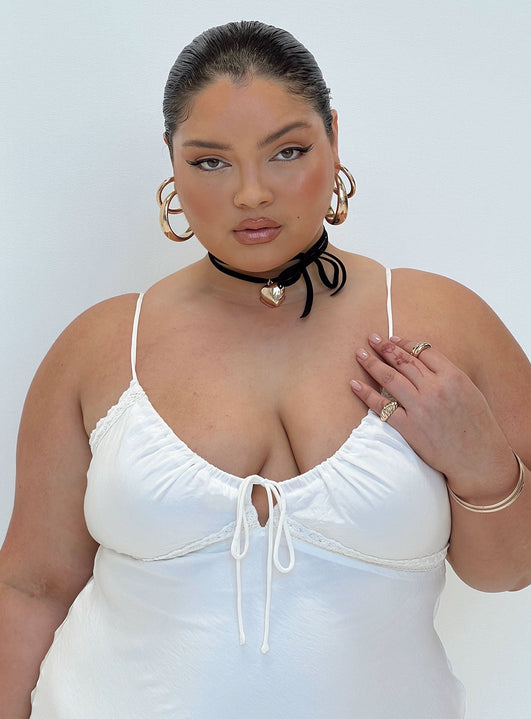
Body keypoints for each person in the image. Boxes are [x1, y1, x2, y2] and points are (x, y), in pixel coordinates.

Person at [0, 19, 530, 719]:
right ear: (172, 161)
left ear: (333, 137)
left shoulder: (444, 323)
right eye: (210, 162)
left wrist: (480, 459)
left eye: (287, 151)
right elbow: (32, 587)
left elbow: (507, 573)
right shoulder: (100, 346)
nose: (251, 193)